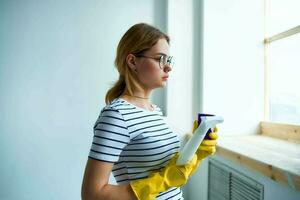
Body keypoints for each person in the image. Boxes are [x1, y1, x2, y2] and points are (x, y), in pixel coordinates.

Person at [81, 23, 218, 200]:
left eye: (169, 60)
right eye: (160, 59)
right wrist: (162, 181)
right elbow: (92, 195)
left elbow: (170, 174)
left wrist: (196, 151)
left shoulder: (155, 112)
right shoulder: (117, 116)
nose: (168, 67)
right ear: (132, 61)